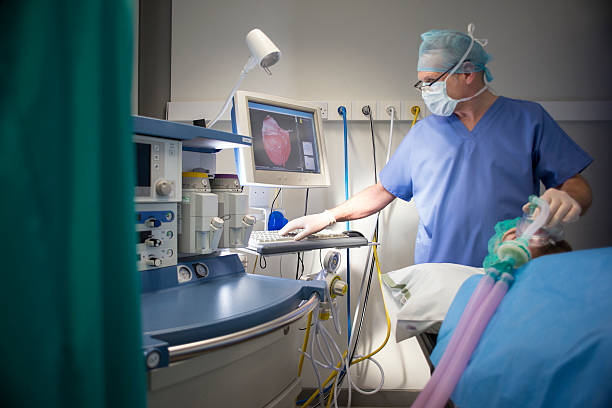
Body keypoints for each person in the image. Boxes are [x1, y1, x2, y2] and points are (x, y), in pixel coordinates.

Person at [280, 23, 593, 267]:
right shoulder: (425, 133)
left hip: (509, 270)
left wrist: (569, 199)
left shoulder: (528, 119)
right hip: (439, 275)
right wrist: (328, 216)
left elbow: (577, 185)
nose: (424, 90)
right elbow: (382, 191)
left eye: (431, 81)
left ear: (468, 73)